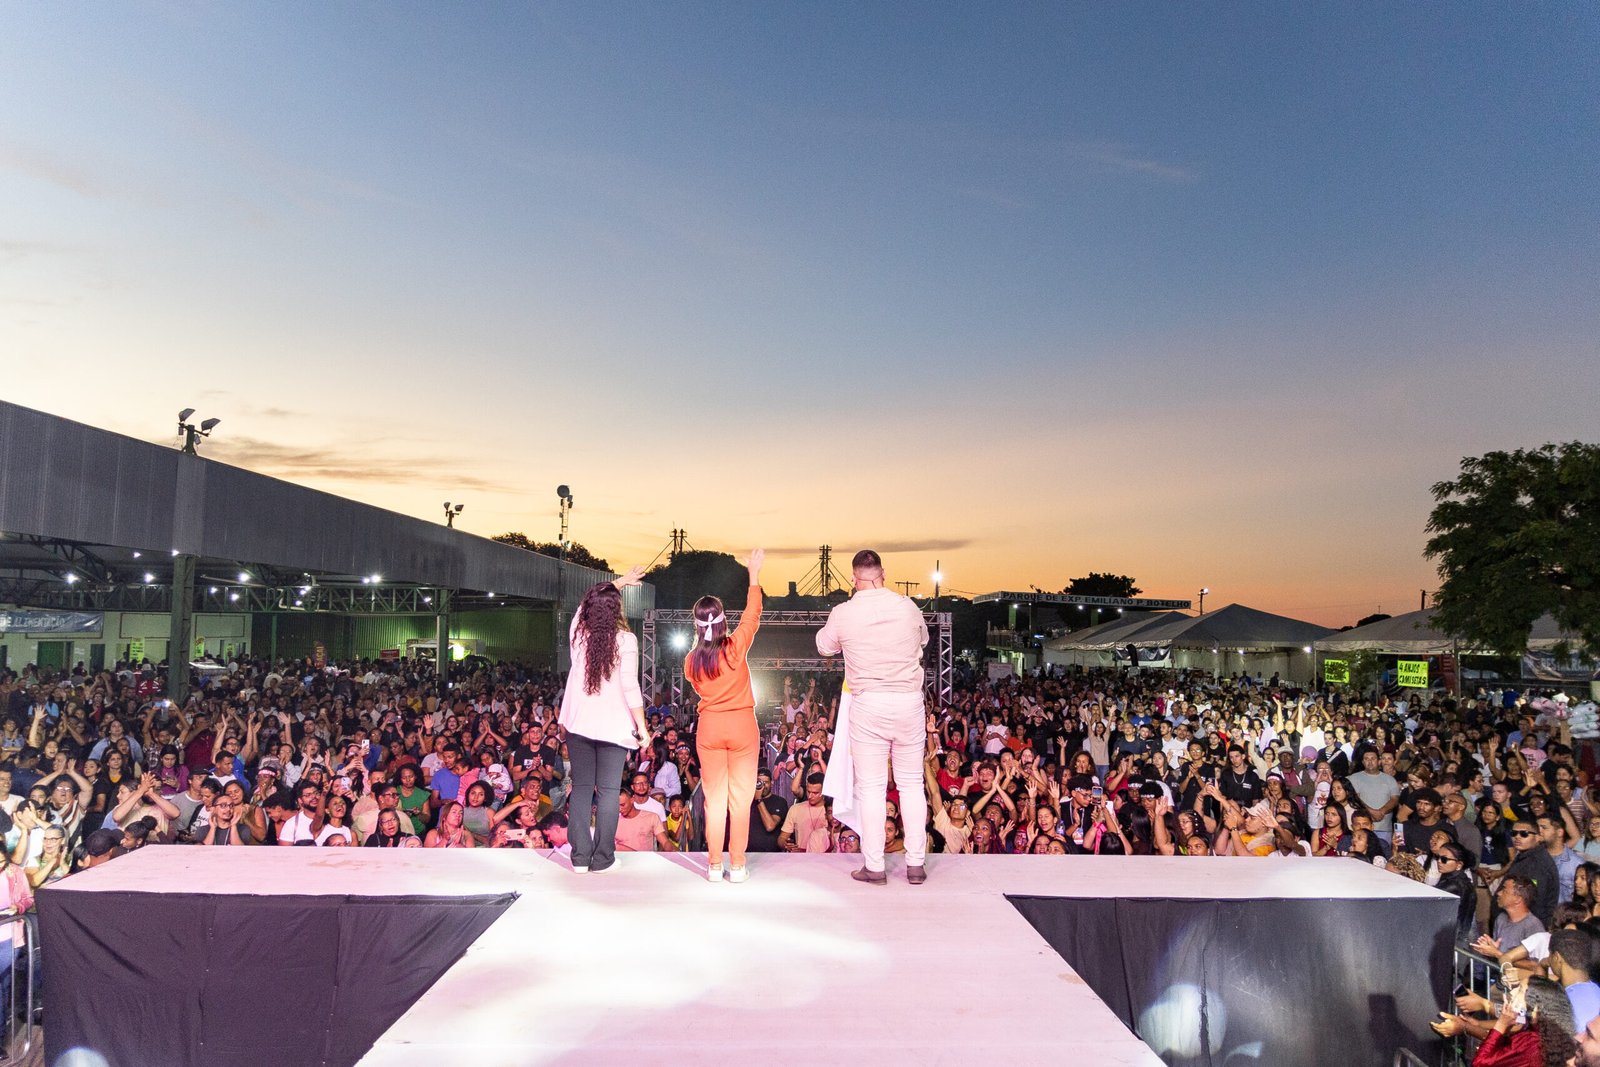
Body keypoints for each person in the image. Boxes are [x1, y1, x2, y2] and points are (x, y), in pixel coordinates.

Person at [816, 549, 930, 886]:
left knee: (872, 789)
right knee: (912, 784)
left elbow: (824, 646)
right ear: (883, 573)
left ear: (854, 578)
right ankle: (915, 864)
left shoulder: (843, 612)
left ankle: (875, 866)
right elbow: (923, 639)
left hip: (869, 704)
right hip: (909, 701)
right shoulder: (908, 607)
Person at [557, 568, 649, 874]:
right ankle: (603, 859)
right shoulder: (627, 640)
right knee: (609, 792)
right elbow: (630, 686)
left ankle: (579, 858)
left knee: (582, 788)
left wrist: (618, 583)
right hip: (613, 728)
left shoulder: (578, 635)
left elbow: (583, 606)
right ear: (617, 610)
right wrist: (642, 728)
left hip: (579, 725)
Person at [683, 548, 764, 882]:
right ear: (722, 620)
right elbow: (752, 615)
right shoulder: (735, 648)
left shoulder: (691, 661)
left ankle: (715, 866)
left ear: (696, 624)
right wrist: (753, 574)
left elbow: (699, 681)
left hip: (710, 728)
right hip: (742, 726)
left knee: (713, 801)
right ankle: (738, 865)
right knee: (740, 801)